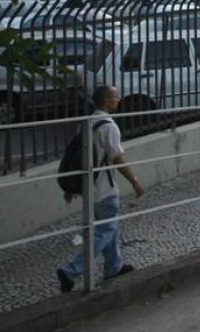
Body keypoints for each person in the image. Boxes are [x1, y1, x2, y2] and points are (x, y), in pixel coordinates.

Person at [56, 85, 146, 293]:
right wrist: (134, 180)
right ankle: (71, 270)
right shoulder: (109, 127)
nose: (119, 100)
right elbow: (117, 158)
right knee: (105, 230)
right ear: (106, 101)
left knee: (110, 229)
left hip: (90, 190)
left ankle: (114, 267)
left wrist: (73, 186)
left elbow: (78, 158)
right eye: (115, 97)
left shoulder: (86, 123)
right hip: (105, 189)